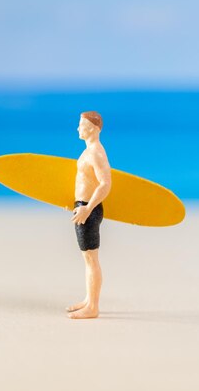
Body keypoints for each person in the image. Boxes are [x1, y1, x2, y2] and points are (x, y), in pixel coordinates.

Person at [67, 111, 112, 319]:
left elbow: (105, 184)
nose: (78, 128)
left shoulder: (96, 152)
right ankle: (88, 299)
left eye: (81, 125)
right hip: (83, 207)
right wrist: (77, 204)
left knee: (91, 259)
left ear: (93, 128)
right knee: (88, 259)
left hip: (89, 210)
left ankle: (93, 307)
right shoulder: (88, 151)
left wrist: (87, 208)